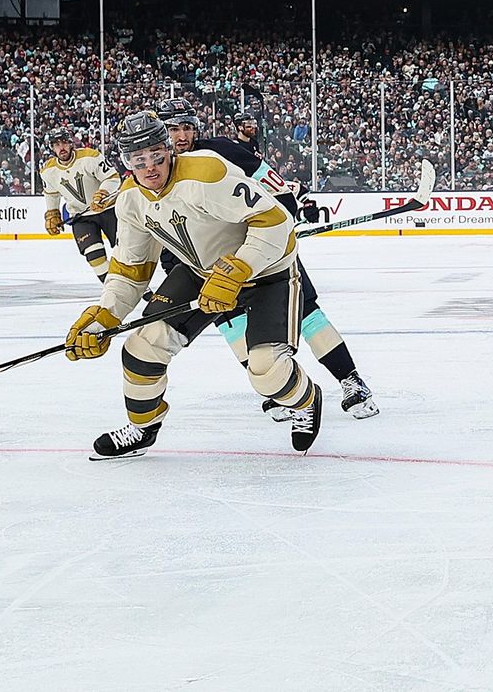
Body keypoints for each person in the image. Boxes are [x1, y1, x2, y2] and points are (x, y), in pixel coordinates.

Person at [63, 110, 322, 458]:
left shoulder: (207, 173)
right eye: (139, 161)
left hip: (267, 271)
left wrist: (240, 268)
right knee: (142, 349)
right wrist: (105, 315)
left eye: (157, 156)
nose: (150, 168)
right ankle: (143, 427)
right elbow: (130, 268)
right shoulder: (130, 200)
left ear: (169, 150)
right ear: (127, 162)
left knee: (266, 372)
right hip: (201, 273)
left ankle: (306, 401)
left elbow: (277, 222)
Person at [160, 104, 377, 419]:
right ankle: (280, 388)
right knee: (234, 326)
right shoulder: (153, 174)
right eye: (173, 129)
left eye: (187, 127)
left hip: (260, 253)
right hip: (212, 267)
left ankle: (351, 380)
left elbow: (275, 187)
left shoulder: (221, 151)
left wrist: (280, 227)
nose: (182, 136)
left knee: (306, 313)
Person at [40, 132, 121, 273]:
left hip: (109, 209)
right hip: (81, 217)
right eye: (57, 145)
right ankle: (115, 286)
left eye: (64, 143)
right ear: (52, 148)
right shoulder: (48, 171)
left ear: (71, 144)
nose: (61, 148)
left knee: (127, 253)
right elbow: (51, 194)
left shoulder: (90, 157)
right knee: (94, 257)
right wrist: (52, 212)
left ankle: (138, 286)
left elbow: (112, 178)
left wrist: (103, 194)